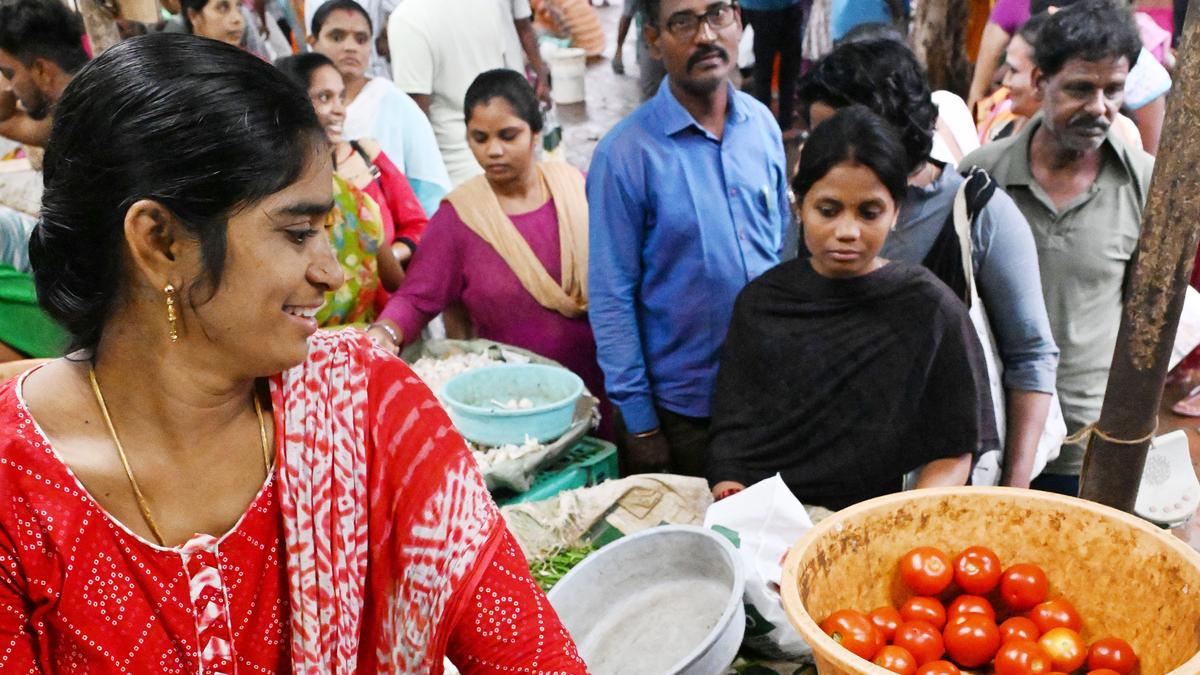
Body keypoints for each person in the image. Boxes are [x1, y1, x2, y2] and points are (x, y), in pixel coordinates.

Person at [3, 33, 585, 672]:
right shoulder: (19, 489)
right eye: (299, 232)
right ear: (161, 240)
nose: (332, 274)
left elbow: (531, 656)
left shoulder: (364, 409)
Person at [799, 38, 1060, 489]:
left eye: (832, 133)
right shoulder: (814, 208)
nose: (817, 154)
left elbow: (1031, 354)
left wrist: (1014, 489)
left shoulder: (978, 213)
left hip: (945, 477)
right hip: (838, 469)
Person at [707, 106, 991, 510]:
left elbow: (956, 447)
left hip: (867, 526)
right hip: (762, 518)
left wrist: (896, 524)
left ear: (895, 212)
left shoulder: (929, 308)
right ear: (799, 204)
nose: (847, 231)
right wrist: (736, 510)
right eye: (828, 210)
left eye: (869, 212)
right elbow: (731, 439)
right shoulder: (761, 303)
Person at [588, 0, 790, 476]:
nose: (706, 35)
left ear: (738, 21)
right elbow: (610, 298)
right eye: (683, 22)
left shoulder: (762, 125)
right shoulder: (624, 156)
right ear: (654, 40)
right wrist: (640, 426)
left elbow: (780, 248)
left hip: (768, 398)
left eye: (718, 13)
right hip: (681, 417)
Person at [962, 0, 1153, 496]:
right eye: (1080, 89)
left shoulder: (1144, 184)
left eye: (1113, 90)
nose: (1099, 107)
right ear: (1040, 80)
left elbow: (1147, 315)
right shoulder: (982, 177)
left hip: (1090, 443)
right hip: (990, 433)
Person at [367, 70, 609, 430]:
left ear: (535, 133)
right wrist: (385, 333)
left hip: (604, 384)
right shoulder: (459, 218)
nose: (493, 150)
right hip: (519, 403)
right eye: (479, 138)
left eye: (508, 135)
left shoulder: (577, 188)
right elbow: (417, 297)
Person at [276, 52, 428, 326]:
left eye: (341, 97)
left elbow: (398, 282)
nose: (339, 109)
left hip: (360, 347)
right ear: (292, 106)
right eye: (324, 97)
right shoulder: (270, 202)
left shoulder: (357, 200)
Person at [307, 0, 451, 216]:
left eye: (361, 39)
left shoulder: (395, 102)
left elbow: (430, 190)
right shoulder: (299, 100)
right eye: (336, 36)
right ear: (312, 42)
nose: (350, 47)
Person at [387, 0, 509, 186]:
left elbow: (415, 118)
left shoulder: (409, 18)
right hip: (498, 159)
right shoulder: (488, 4)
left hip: (451, 176)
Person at [0, 0, 86, 147]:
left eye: (9, 74)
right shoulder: (59, 126)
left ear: (41, 70)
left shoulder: (84, 130)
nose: (8, 87)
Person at [740, 0, 805, 131]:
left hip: (762, 7)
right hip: (771, 7)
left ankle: (767, 122)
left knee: (765, 67)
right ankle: (779, 121)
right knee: (782, 68)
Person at [612, 0, 669, 101]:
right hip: (653, 34)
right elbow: (627, 16)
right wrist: (619, 49)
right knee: (652, 90)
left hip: (678, 32)